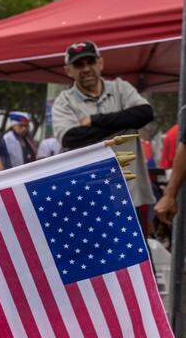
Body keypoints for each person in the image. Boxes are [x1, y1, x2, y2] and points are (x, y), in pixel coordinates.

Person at [51, 41, 155, 212]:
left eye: (90, 62)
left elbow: (145, 113)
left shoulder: (121, 88)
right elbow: (71, 138)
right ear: (68, 70)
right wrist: (123, 122)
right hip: (87, 196)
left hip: (131, 195)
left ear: (100, 63)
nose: (85, 69)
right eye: (78, 64)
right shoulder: (63, 101)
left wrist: (94, 120)